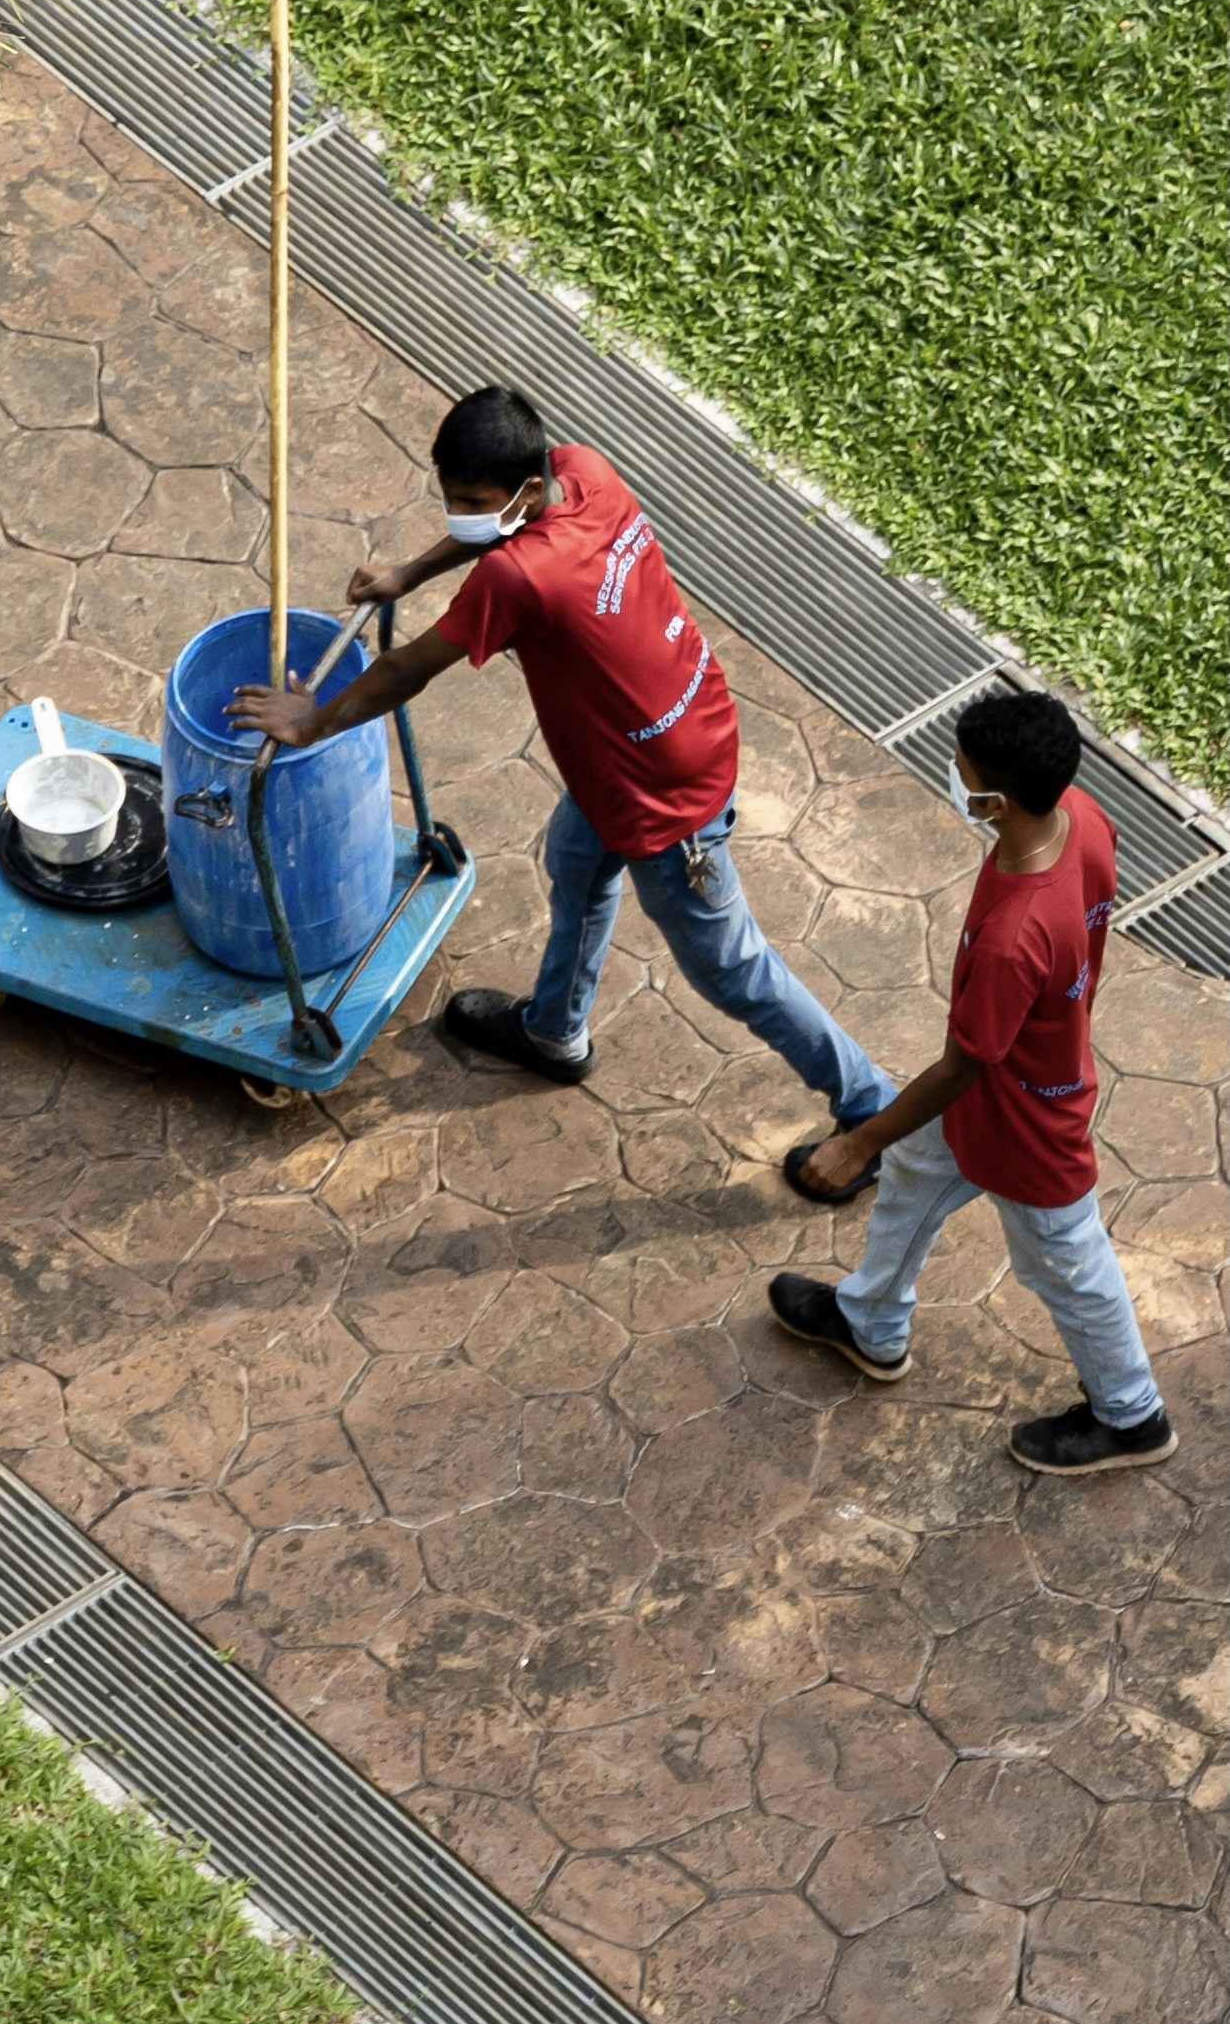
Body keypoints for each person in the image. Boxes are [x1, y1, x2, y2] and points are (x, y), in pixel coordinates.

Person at [234, 381, 894, 1180]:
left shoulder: (519, 580)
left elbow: (409, 667)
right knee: (576, 862)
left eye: (473, 501)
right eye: (449, 498)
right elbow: (491, 539)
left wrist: (310, 722)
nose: (461, 514)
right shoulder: (586, 471)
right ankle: (553, 1031)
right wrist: (408, 573)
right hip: (658, 736)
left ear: (526, 489)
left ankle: (870, 1113)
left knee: (732, 969)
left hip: (662, 798)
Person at [768, 686, 1175, 1475]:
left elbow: (962, 1063)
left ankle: (1130, 1416)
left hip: (1025, 1116)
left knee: (1064, 1262)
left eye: (959, 770)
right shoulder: (1082, 818)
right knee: (918, 1173)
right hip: (999, 1083)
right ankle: (868, 1323)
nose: (952, 777)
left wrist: (857, 1145)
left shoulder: (1013, 937)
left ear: (996, 798)